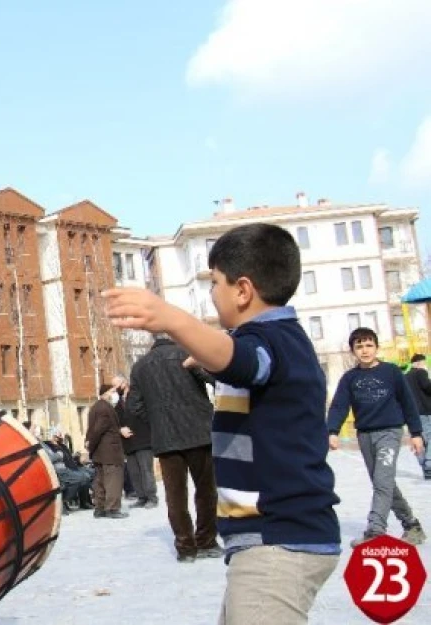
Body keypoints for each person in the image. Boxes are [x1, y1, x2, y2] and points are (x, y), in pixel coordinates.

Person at [105, 223, 342, 625]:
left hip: (277, 540)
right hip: (268, 540)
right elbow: (237, 361)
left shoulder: (271, 341)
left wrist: (172, 319)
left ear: (243, 290)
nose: (211, 293)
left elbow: (242, 359)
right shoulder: (275, 341)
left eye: (215, 282)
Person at [327, 328, 426, 545]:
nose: (365, 350)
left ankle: (375, 530)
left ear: (376, 347)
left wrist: (416, 433)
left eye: (369, 345)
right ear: (353, 351)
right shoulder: (349, 378)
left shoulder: (391, 372)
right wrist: (332, 431)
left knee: (382, 481)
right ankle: (412, 525)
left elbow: (408, 403)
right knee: (383, 482)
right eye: (359, 346)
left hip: (390, 433)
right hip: (365, 435)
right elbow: (339, 406)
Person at [126, 336, 220, 562]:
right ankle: (206, 541)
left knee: (175, 495)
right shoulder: (185, 355)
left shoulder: (139, 367)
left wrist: (157, 422)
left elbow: (133, 406)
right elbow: (213, 380)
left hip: (166, 439)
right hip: (199, 433)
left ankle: (185, 547)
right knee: (206, 491)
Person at [86, 384, 128, 519]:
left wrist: (90, 445)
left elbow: (91, 430)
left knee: (100, 480)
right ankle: (112, 508)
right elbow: (98, 430)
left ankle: (100, 508)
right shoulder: (105, 408)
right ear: (105, 392)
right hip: (109, 450)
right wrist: (90, 444)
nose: (115, 393)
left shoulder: (96, 407)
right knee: (113, 479)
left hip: (99, 452)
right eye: (113, 391)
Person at [115, 374, 157, 508]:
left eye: (117, 384)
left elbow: (148, 415)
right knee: (134, 472)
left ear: (125, 383)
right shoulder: (118, 404)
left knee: (146, 470)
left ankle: (151, 497)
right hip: (128, 443)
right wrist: (120, 429)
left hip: (143, 439)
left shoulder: (138, 396)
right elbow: (115, 422)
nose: (115, 388)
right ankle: (141, 497)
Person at [404, 353, 431, 479]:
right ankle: (429, 464)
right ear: (420, 362)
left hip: (411, 414)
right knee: (429, 438)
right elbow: (427, 387)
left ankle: (424, 466)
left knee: (418, 440)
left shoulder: (405, 376)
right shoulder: (421, 372)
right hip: (425, 411)